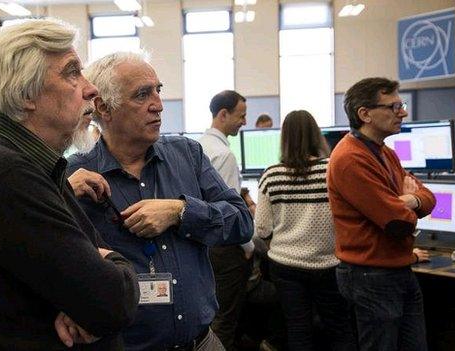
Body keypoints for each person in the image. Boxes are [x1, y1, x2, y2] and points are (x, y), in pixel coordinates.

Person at [0, 19, 139, 351]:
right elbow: (113, 303)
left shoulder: (34, 166)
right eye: (72, 72)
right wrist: (116, 262)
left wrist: (97, 282)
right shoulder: (3, 174)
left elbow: (99, 296)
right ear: (25, 93)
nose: (90, 89)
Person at [67, 52, 253, 350]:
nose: (159, 105)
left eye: (158, 90)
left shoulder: (187, 155)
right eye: (143, 94)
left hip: (202, 342)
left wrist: (180, 211)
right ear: (103, 107)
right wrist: (60, 194)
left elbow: (241, 222)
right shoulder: (75, 178)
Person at [327, 77, 436, 351]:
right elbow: (397, 223)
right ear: (365, 114)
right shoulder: (351, 158)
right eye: (394, 106)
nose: (403, 112)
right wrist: (407, 206)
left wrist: (409, 199)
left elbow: (429, 199)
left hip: (395, 270)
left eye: (402, 104)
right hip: (371, 276)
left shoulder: (385, 153)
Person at [255, 110, 356, 351]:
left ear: (284, 138)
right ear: (316, 135)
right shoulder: (333, 170)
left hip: (285, 265)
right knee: (340, 329)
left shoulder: (271, 175)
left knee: (298, 329)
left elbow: (261, 228)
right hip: (329, 264)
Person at [199, 90, 253, 351]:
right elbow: (231, 215)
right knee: (226, 318)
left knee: (210, 316)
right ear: (223, 114)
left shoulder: (196, 147)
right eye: (241, 116)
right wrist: (249, 248)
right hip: (224, 248)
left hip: (202, 244)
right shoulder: (225, 155)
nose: (244, 122)